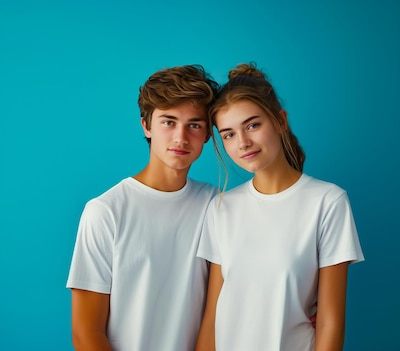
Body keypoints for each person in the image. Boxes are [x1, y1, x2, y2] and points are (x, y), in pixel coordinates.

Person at [195, 63, 364, 351]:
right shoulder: (221, 208)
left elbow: (330, 323)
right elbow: (213, 316)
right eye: (229, 134)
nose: (243, 142)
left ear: (280, 120)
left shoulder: (327, 202)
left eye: (253, 125)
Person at [66, 64, 219, 350]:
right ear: (146, 126)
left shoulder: (216, 205)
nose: (181, 138)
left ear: (208, 133)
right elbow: (86, 334)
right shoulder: (106, 211)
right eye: (168, 122)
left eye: (194, 125)